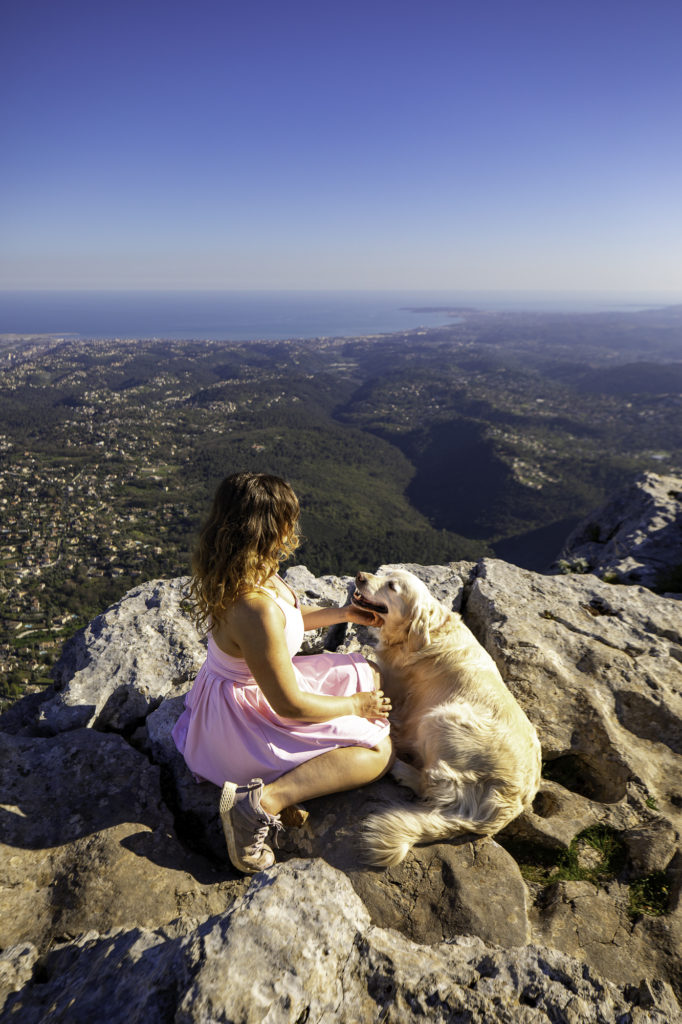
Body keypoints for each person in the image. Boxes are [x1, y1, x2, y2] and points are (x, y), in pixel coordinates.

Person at [172, 472, 394, 874]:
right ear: (275, 527)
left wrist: (342, 614)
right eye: (290, 519)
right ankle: (260, 803)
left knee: (371, 671)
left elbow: (286, 620)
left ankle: (278, 790)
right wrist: (355, 706)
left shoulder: (248, 568)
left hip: (252, 684)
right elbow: (290, 704)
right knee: (378, 751)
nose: (294, 527)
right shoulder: (254, 607)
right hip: (244, 721)